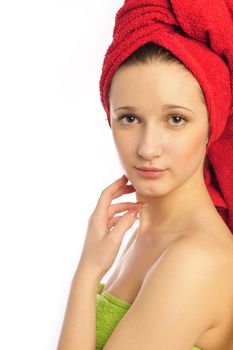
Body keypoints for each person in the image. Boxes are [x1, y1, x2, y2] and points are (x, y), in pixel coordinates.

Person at [57, 1, 233, 350]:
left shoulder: (197, 258)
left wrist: (88, 273)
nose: (148, 148)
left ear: (212, 126)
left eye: (176, 119)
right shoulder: (143, 234)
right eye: (129, 118)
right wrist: (88, 266)